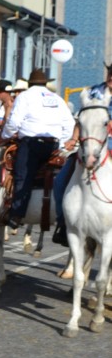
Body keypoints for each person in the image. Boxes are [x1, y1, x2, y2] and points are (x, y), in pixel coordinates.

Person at [1, 68, 75, 230]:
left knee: (23, 175)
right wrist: (61, 143)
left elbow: (14, 122)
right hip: (53, 145)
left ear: (29, 83)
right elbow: (69, 123)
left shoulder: (25, 96)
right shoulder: (56, 98)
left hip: (31, 144)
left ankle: (17, 213)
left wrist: (6, 135)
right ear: (45, 83)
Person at [52, 64, 112, 245]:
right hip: (88, 147)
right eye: (110, 72)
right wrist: (73, 138)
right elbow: (81, 119)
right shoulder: (93, 92)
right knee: (60, 180)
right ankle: (64, 223)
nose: (111, 77)